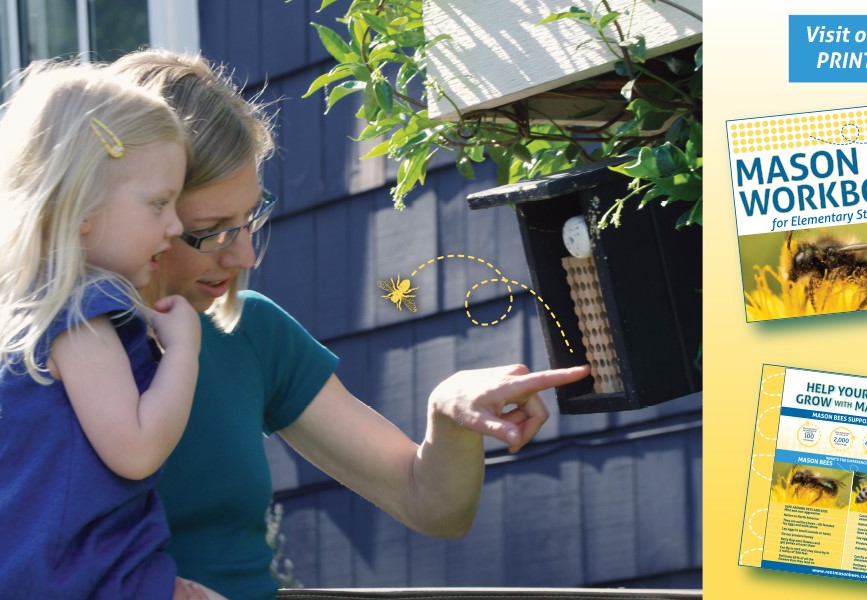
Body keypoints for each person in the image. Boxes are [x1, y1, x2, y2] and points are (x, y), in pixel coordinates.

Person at [109, 50, 590, 600]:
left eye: (249, 220)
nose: (244, 256)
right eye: (213, 229)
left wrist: (447, 414)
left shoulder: (250, 332)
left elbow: (431, 506)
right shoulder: (52, 351)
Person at [0, 62, 212, 599]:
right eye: (158, 203)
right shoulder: (81, 318)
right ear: (81, 207)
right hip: (74, 577)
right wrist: (183, 351)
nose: (175, 225)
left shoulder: (11, 319)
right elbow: (137, 449)